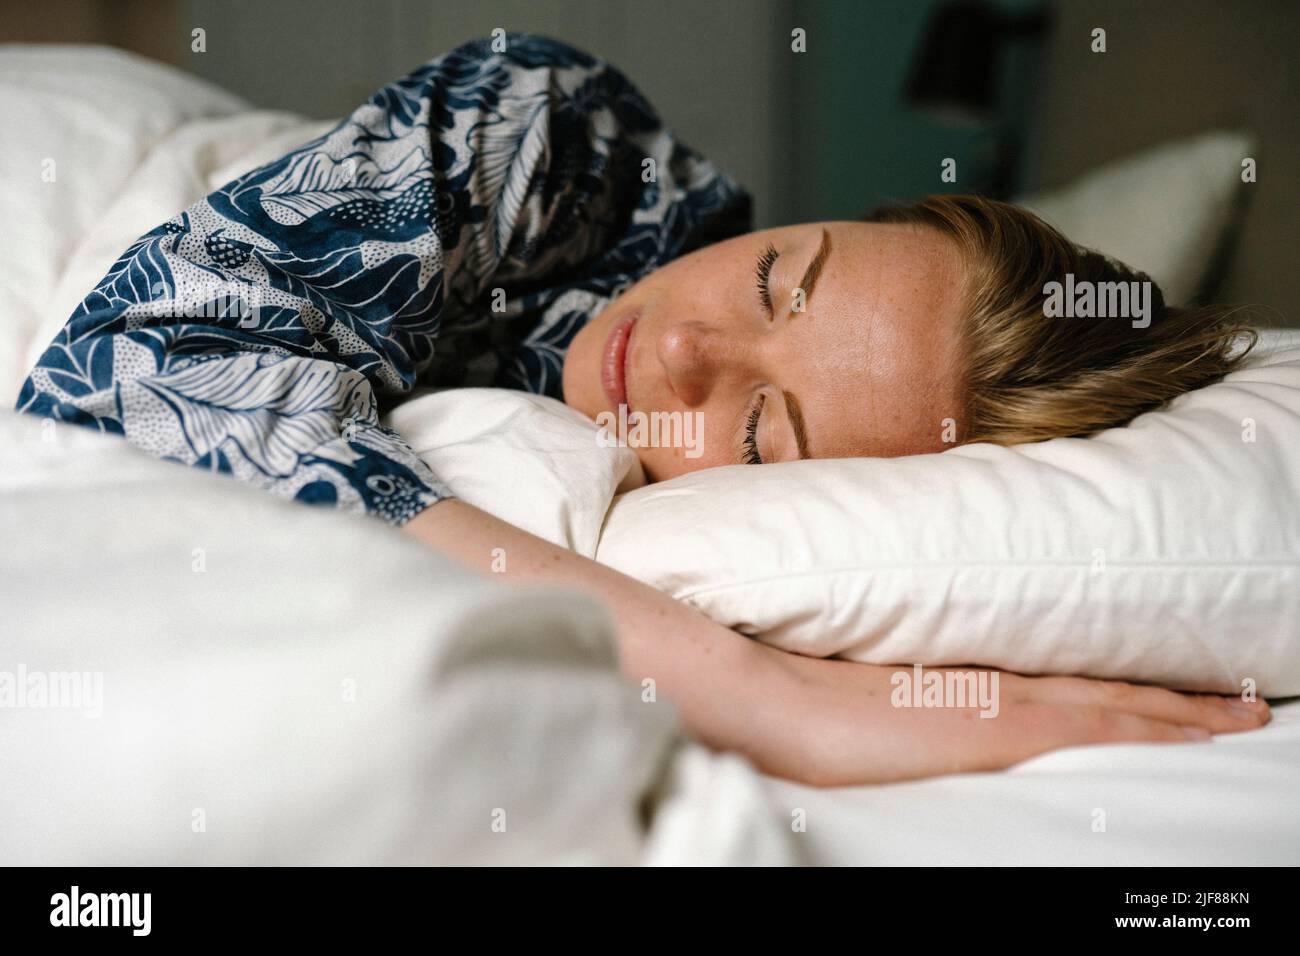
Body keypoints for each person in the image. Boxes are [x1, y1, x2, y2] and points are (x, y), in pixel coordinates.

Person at [16, 34, 1269, 786]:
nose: (678, 351)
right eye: (779, 277)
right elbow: (146, 357)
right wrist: (765, 695)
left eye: (761, 433)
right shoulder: (566, 133)